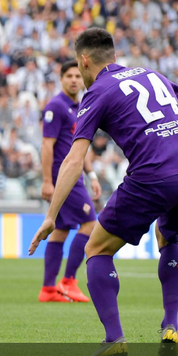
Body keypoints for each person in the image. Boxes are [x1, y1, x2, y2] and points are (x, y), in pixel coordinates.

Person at [29, 28, 178, 356]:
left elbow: (74, 158)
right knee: (168, 237)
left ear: (83, 61)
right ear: (115, 55)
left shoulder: (98, 92)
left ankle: (114, 339)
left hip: (153, 177)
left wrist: (51, 214)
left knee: (96, 247)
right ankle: (170, 324)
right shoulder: (155, 75)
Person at [39, 60, 101, 303]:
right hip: (63, 176)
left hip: (77, 174)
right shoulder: (55, 106)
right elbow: (47, 145)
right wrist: (47, 181)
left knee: (61, 230)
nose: (74, 80)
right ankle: (68, 281)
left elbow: (80, 146)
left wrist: (92, 175)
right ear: (61, 79)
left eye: (77, 75)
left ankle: (48, 289)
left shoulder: (80, 107)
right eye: (69, 76)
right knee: (89, 223)